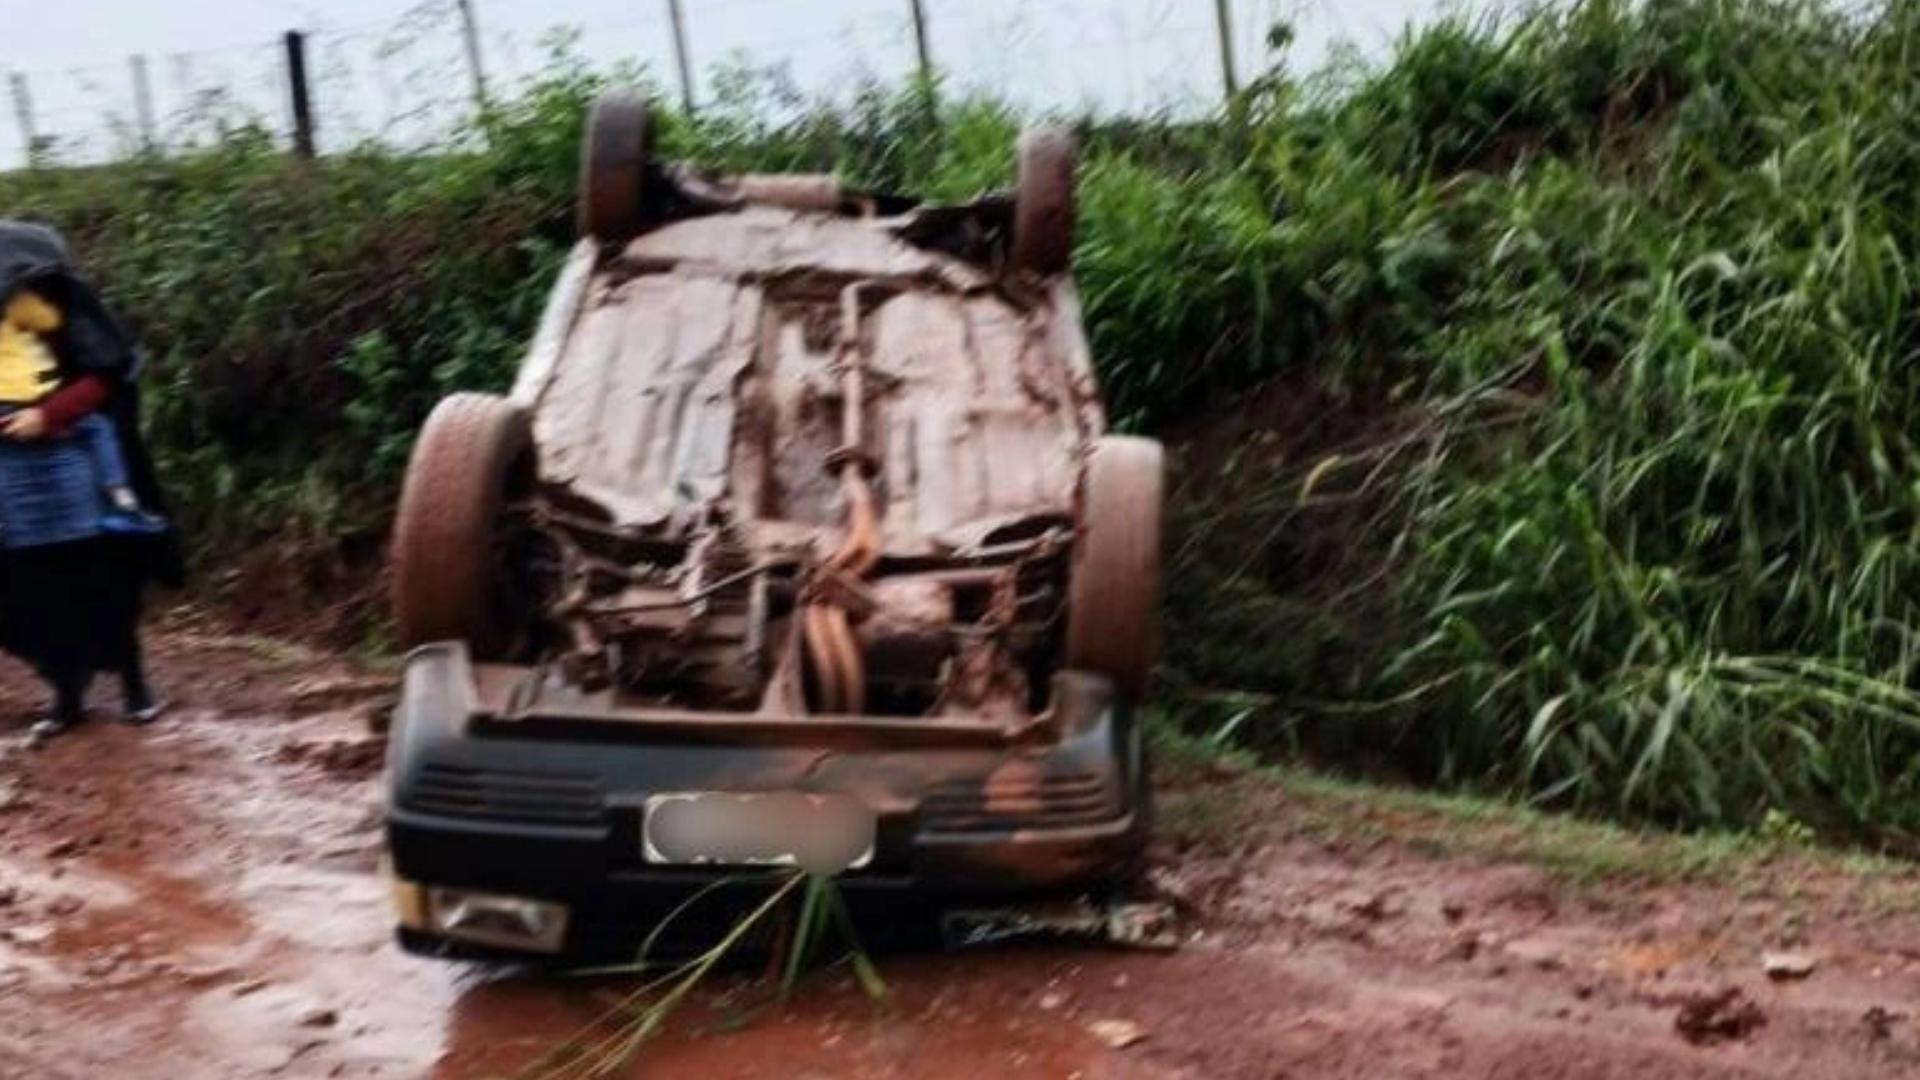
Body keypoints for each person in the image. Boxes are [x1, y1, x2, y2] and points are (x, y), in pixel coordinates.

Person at [0, 221, 182, 744]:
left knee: (97, 570)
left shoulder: (64, 311)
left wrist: (48, 415)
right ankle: (66, 695)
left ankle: (134, 686)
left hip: (71, 455)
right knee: (35, 582)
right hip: (11, 467)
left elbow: (105, 375)